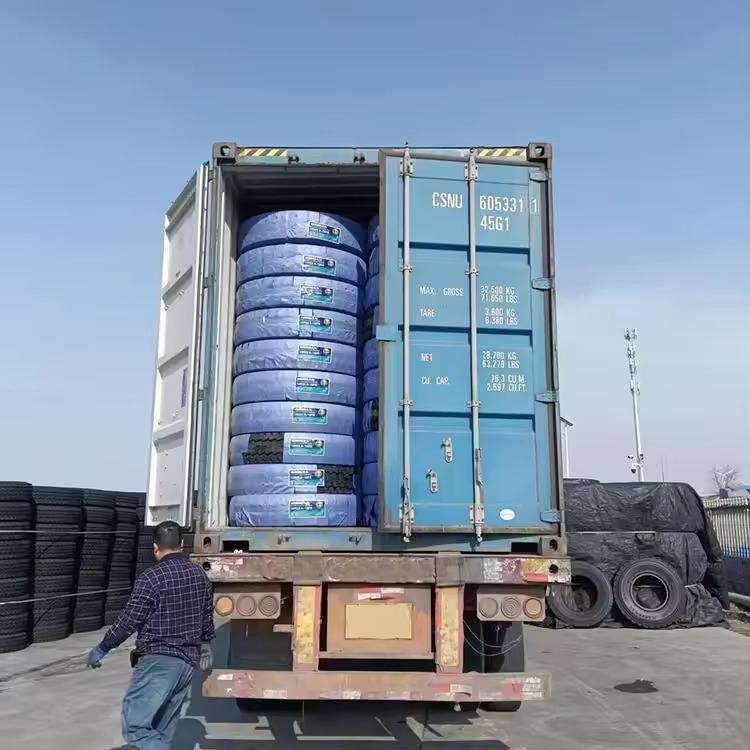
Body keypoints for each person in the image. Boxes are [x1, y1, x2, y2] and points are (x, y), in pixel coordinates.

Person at [87, 520, 214, 750]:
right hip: (187, 664)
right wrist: (205, 644)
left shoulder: (151, 578)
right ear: (182, 544)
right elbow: (207, 614)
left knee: (136, 728)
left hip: (158, 663)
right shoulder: (199, 575)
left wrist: (103, 647)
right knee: (162, 731)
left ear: (155, 547)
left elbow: (129, 620)